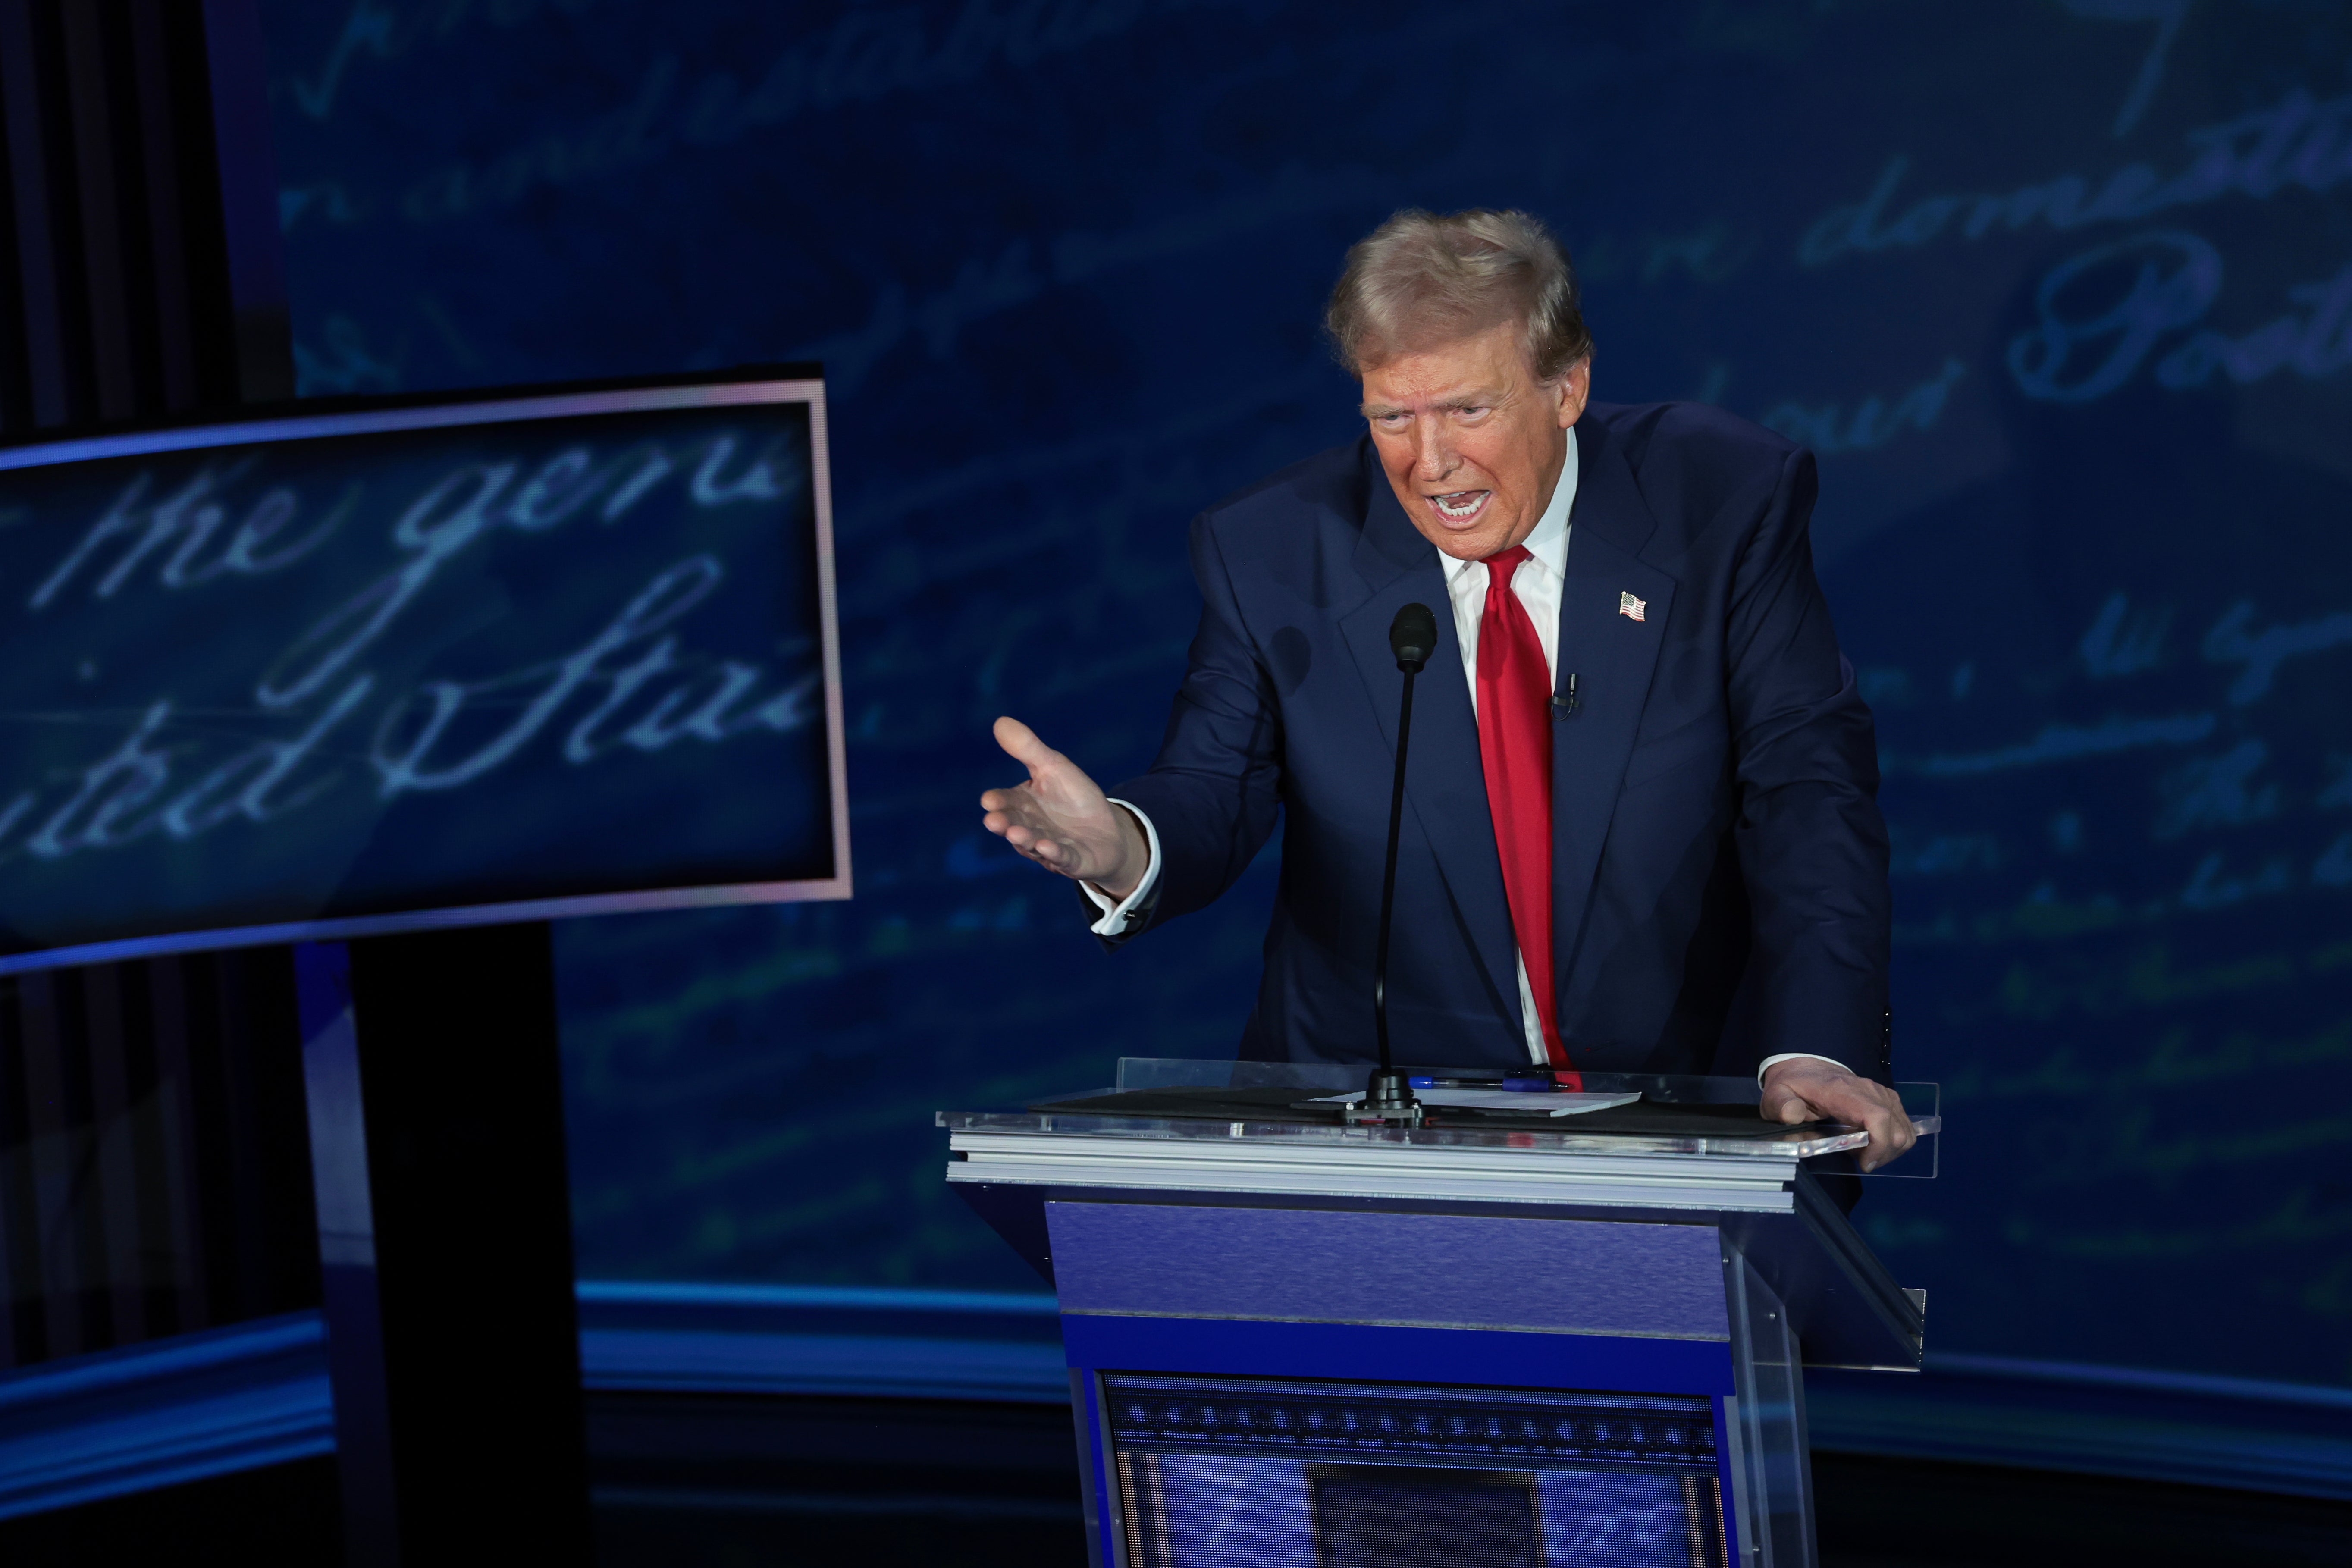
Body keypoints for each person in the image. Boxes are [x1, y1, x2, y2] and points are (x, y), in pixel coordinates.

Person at [980, 208, 1914, 1168]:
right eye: (1393, 417)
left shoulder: (1722, 503)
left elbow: (1809, 791)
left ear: (1567, 389)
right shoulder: (1275, 553)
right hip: (1380, 1144)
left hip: (1685, 1121)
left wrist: (1815, 1043)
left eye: (1469, 410)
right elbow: (1213, 782)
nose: (1430, 465)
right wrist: (1121, 846)